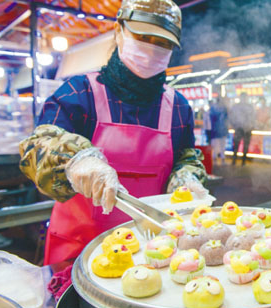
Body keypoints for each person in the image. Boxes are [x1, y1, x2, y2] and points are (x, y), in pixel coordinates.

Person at [18, 0, 207, 265]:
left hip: (154, 250)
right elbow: (37, 147)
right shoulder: (79, 93)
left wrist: (186, 177)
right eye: (142, 37)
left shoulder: (178, 107)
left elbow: (186, 155)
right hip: (82, 251)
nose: (151, 49)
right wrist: (76, 160)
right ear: (119, 31)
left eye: (162, 43)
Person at [229, 92, 256, 166]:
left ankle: (242, 161)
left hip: (246, 129)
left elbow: (253, 118)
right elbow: (231, 117)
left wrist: (251, 126)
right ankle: (235, 160)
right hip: (240, 128)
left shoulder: (249, 107)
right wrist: (235, 125)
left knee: (245, 146)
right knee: (237, 145)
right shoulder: (237, 107)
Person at [209, 97, 229, 165]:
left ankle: (217, 160)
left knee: (217, 146)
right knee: (220, 146)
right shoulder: (222, 108)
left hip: (217, 131)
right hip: (218, 130)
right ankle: (219, 160)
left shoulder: (213, 109)